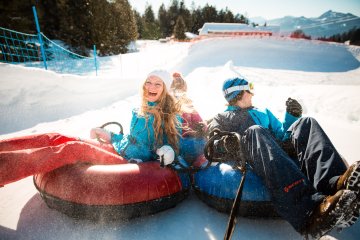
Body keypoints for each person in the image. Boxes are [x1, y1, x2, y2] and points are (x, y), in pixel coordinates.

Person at [208, 75, 360, 239]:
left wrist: (292, 118)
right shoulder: (221, 118)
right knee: (255, 130)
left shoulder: (263, 112)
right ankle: (308, 211)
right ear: (238, 93)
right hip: (254, 157)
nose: (252, 94)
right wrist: (226, 143)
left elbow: (282, 136)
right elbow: (212, 146)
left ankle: (333, 184)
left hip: (277, 153)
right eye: (249, 89)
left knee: (306, 122)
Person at [0, 70, 183, 186]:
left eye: (157, 84)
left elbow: (173, 147)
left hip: (132, 162)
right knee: (58, 137)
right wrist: (110, 135)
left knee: (74, 148)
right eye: (148, 82)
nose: (151, 87)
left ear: (165, 89)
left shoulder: (170, 116)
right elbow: (131, 139)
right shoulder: (139, 110)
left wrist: (168, 151)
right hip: (120, 149)